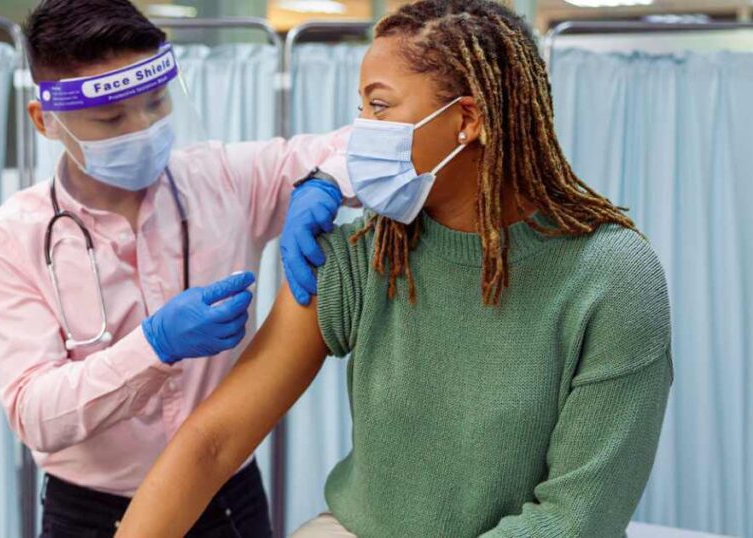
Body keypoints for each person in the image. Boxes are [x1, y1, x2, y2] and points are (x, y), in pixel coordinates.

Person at [114, 1, 673, 537]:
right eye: (361, 109)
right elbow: (214, 440)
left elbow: (576, 519)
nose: (360, 133)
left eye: (378, 108)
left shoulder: (612, 278)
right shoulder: (363, 255)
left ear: (467, 120)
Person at [0, 1, 352, 536]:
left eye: (155, 103)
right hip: (91, 513)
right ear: (45, 120)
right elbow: (35, 413)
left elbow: (368, 145)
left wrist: (328, 179)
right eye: (111, 118)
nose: (144, 127)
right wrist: (155, 346)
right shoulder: (8, 242)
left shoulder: (224, 180)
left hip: (226, 499)